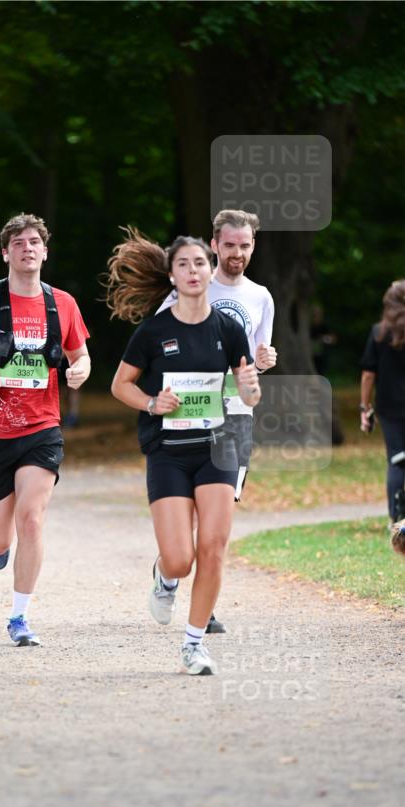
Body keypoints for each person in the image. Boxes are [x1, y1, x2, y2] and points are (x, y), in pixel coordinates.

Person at [107, 229, 261, 676]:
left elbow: (248, 390)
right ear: (172, 276)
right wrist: (153, 403)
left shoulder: (229, 329)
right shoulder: (154, 331)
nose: (193, 271)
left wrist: (251, 387)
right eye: (183, 265)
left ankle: (194, 645)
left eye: (199, 263)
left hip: (218, 447)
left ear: (210, 270)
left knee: (212, 547)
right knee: (181, 557)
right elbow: (121, 385)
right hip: (169, 452)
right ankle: (165, 575)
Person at [0, 213, 91, 647]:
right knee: (0, 539)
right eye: (19, 243)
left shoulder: (62, 303)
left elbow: (81, 355)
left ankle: (20, 617)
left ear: (45, 251)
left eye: (35, 242)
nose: (28, 248)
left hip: (41, 426)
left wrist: (79, 370)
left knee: (32, 519)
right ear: (5, 252)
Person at [157, 209, 276, 633]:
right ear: (214, 244)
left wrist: (264, 360)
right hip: (191, 413)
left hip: (237, 416)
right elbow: (159, 345)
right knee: (187, 511)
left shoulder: (261, 297)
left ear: (253, 246)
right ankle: (169, 572)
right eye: (229, 245)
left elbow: (256, 359)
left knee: (217, 519)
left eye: (245, 246)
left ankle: (202, 609)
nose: (237, 253)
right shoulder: (186, 291)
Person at [359, 278, 405, 524]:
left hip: (389, 407)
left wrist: (364, 407)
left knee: (397, 461)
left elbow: (368, 374)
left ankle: (396, 519)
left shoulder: (379, 333)